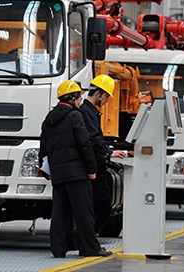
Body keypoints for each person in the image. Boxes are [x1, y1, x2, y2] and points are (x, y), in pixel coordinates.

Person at [39, 80, 112, 258]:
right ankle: (90, 248)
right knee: (83, 212)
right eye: (79, 98)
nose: (81, 101)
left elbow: (43, 148)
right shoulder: (75, 116)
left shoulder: (48, 119)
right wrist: (91, 169)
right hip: (77, 173)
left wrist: (45, 169)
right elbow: (85, 144)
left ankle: (58, 249)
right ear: (71, 98)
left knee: (59, 213)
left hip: (58, 173)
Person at [79, 74, 127, 234]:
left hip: (97, 163)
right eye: (106, 96)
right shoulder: (86, 112)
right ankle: (86, 239)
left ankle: (88, 239)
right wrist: (110, 152)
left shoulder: (91, 111)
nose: (107, 100)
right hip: (93, 166)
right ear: (98, 93)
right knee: (102, 207)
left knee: (100, 206)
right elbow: (93, 138)